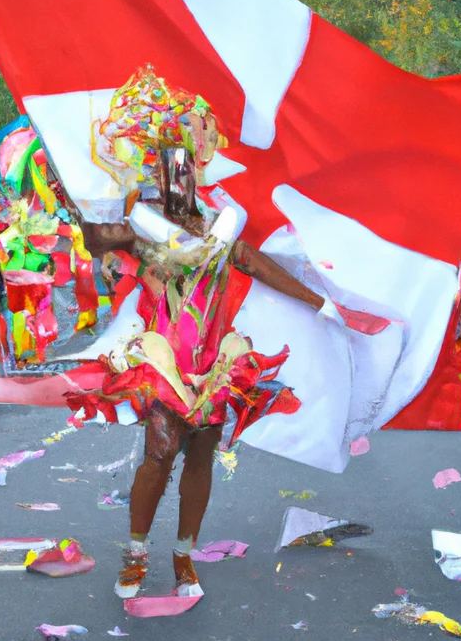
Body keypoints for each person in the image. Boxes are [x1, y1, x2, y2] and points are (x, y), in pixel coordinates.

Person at [70, 66, 325, 600]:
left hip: (213, 359)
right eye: (191, 133)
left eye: (205, 133)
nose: (203, 139)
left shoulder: (220, 220)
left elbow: (251, 261)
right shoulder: (144, 219)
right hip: (166, 355)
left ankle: (184, 556)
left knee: (201, 459)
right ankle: (137, 554)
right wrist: (96, 190)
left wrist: (321, 304)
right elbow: (98, 241)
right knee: (158, 455)